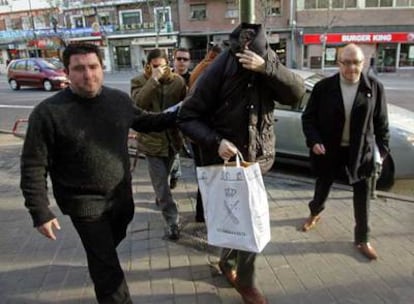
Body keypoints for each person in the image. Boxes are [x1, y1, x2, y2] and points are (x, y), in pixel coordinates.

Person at [20, 43, 178, 304]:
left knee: (106, 251)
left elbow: (148, 121)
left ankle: (100, 257)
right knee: (107, 271)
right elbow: (33, 165)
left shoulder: (117, 100)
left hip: (121, 199)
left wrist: (183, 111)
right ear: (66, 72)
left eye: (93, 67)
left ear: (102, 68)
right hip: (84, 205)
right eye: (79, 69)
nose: (88, 75)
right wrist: (40, 211)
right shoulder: (47, 114)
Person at [178, 23, 305, 304]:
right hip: (226, 164)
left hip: (257, 162)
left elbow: (296, 93)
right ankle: (244, 280)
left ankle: (236, 271)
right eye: (242, 54)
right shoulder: (220, 67)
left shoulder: (268, 61)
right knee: (238, 220)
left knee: (249, 221)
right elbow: (187, 117)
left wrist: (267, 68)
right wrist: (216, 142)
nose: (247, 58)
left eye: (254, 54)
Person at [301, 43, 390, 260]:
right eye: (347, 62)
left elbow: (381, 123)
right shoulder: (324, 87)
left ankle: (363, 238)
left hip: (361, 151)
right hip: (330, 150)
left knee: (363, 196)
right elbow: (308, 118)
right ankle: (314, 212)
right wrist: (314, 140)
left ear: (363, 63)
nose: (352, 68)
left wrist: (381, 151)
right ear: (339, 63)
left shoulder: (374, 88)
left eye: (356, 62)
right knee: (322, 186)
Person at [131, 48, 186, 240]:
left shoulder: (178, 82)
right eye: (155, 67)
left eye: (162, 66)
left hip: (172, 141)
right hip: (152, 143)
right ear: (148, 66)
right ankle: (173, 222)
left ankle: (162, 196)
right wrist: (153, 81)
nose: (159, 70)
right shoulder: (139, 81)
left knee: (167, 177)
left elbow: (184, 107)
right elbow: (138, 104)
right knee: (162, 186)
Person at [187, 43, 222, 222]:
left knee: (203, 175)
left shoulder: (200, 68)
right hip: (205, 132)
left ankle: (202, 214)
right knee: (209, 176)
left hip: (196, 133)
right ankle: (205, 215)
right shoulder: (209, 71)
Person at [169, 47, 192, 189]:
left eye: (185, 59)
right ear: (174, 60)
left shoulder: (193, 79)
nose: (182, 62)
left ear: (189, 62)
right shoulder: (166, 77)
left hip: (188, 124)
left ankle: (175, 174)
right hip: (169, 123)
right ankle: (174, 176)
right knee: (173, 154)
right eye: (179, 59)